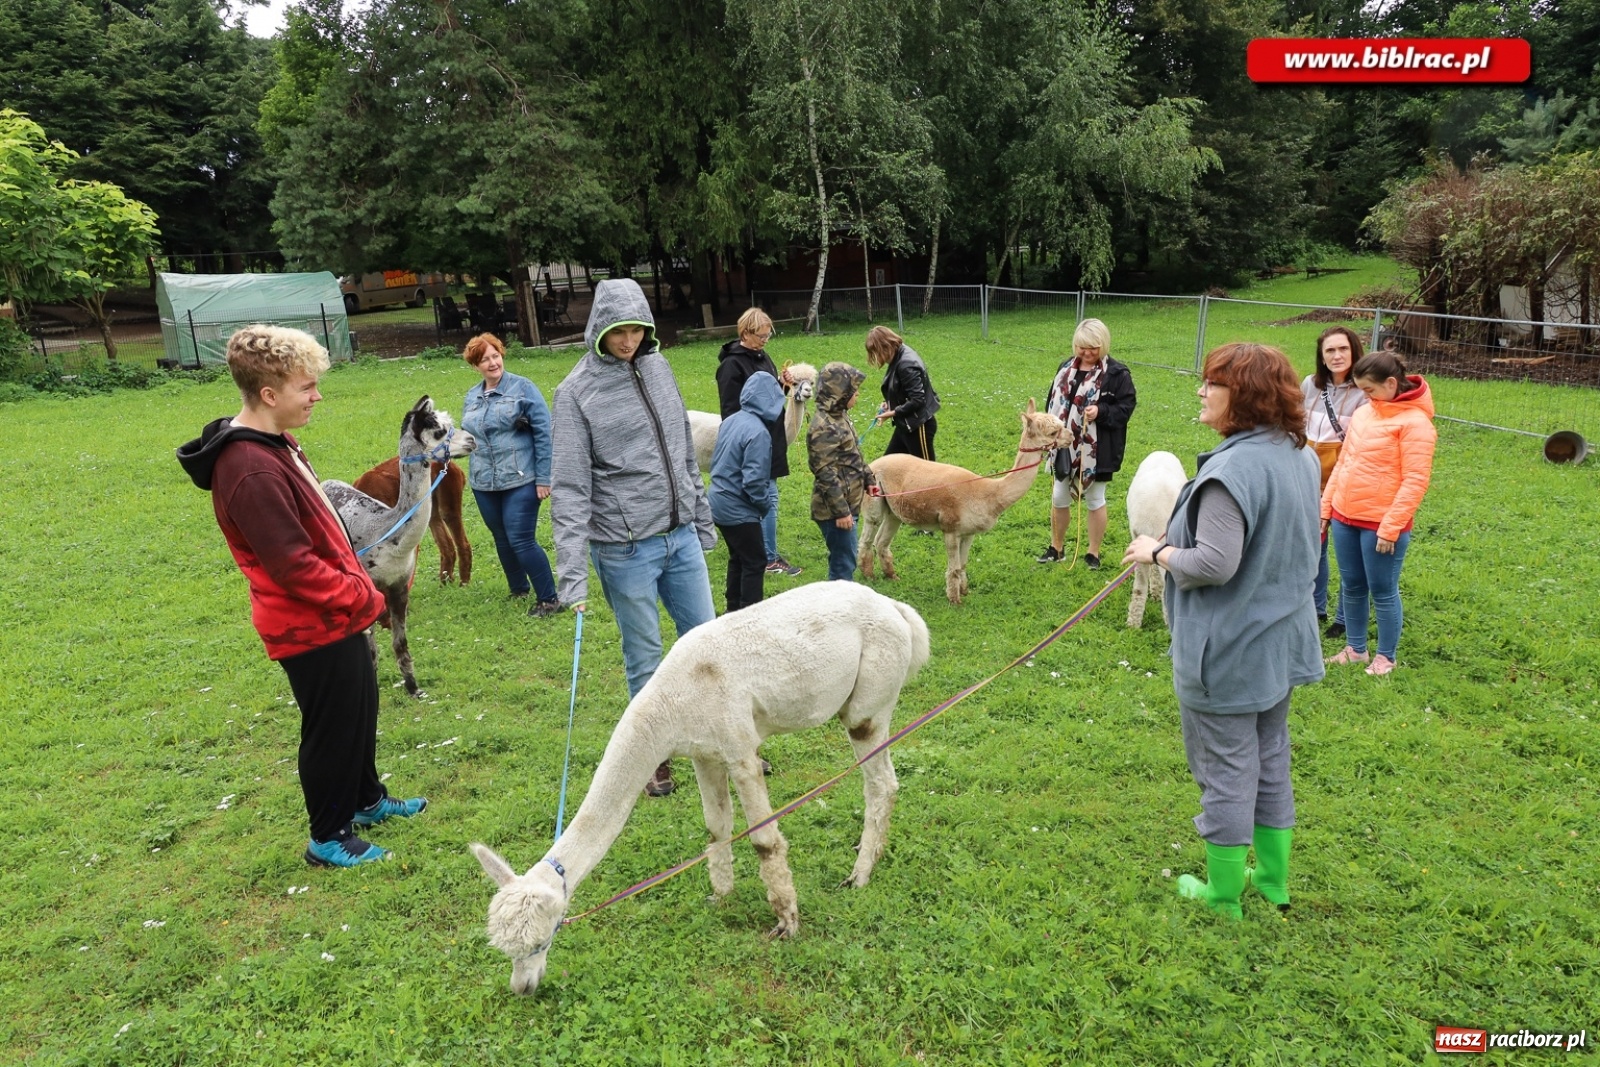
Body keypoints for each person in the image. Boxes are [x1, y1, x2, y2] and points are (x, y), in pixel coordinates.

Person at [177, 325, 426, 869]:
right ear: (269, 395)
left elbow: (323, 530)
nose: (316, 396)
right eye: (306, 387)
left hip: (339, 611)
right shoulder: (248, 468)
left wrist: (361, 587)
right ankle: (329, 835)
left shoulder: (275, 443)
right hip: (308, 623)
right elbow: (292, 565)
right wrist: (361, 598)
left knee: (360, 707)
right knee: (331, 726)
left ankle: (366, 798)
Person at [1123, 342, 1323, 920]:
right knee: (1269, 752)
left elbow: (1214, 563)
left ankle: (1224, 895)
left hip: (1230, 649)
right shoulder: (1298, 453)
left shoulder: (1230, 470)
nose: (1201, 392)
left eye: (1213, 383)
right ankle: (1274, 881)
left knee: (1226, 766)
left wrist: (1157, 551)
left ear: (1246, 396)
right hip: (1281, 643)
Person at [550, 278, 716, 797]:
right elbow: (571, 488)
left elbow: (682, 449)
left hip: (679, 534)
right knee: (645, 655)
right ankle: (653, 757)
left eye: (637, 331)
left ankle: (722, 742)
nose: (629, 343)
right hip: (624, 549)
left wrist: (700, 514)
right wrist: (572, 577)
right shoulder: (575, 393)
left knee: (708, 642)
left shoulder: (659, 367)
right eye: (619, 333)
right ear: (599, 329)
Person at [1321, 349, 1436, 677]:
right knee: (1352, 585)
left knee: (1383, 591)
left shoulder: (1416, 424)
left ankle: (1386, 657)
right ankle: (1355, 649)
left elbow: (1415, 480)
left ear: (1390, 383)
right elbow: (1344, 463)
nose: (1365, 396)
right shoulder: (1365, 414)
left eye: (1369, 390)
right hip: (1345, 516)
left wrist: (1391, 527)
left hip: (1380, 525)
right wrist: (1327, 507)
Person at [460, 332, 561, 617]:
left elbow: (544, 434)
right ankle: (518, 588)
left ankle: (549, 599)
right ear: (475, 365)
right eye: (485, 359)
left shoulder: (523, 389)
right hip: (484, 481)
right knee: (501, 537)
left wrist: (544, 477)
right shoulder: (472, 396)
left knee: (521, 539)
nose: (493, 363)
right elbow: (469, 436)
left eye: (496, 356)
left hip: (521, 478)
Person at [1039, 318, 1137, 568]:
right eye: (1082, 347)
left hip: (1097, 450)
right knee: (1059, 496)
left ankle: (1093, 553)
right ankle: (1056, 548)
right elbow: (1052, 403)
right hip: (1063, 448)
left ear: (1103, 344)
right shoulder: (1065, 368)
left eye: (1093, 347)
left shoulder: (1117, 374)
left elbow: (1125, 408)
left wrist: (1101, 411)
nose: (1087, 352)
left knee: (1095, 499)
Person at [716, 308, 801, 577]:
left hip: (771, 439)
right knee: (766, 497)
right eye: (761, 336)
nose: (766, 340)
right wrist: (750, 439)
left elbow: (767, 398)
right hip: (754, 443)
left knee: (766, 496)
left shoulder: (763, 357)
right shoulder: (732, 366)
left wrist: (782, 385)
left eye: (768, 335)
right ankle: (768, 558)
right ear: (745, 333)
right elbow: (731, 410)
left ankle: (762, 552)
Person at [1302, 326, 1370, 638]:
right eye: (1329, 350)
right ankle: (1315, 608)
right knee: (1313, 547)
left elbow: (1360, 444)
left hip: (1344, 481)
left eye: (1342, 349)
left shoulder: (1365, 394)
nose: (1337, 356)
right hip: (1308, 478)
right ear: (1321, 356)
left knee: (1346, 554)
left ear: (1354, 351)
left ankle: (1344, 617)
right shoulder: (1310, 386)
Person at [709, 371, 783, 612]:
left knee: (738, 557)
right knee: (755, 561)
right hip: (737, 508)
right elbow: (754, 481)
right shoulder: (759, 432)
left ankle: (733, 610)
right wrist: (764, 506)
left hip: (717, 501)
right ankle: (750, 615)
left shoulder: (732, 420)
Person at [809, 362, 873, 581]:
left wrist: (868, 478)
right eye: (854, 391)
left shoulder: (840, 416)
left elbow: (853, 454)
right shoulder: (823, 427)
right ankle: (836, 608)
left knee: (847, 558)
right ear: (840, 393)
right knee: (843, 564)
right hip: (834, 510)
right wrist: (841, 512)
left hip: (849, 502)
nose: (858, 395)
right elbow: (825, 473)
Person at [866, 325, 940, 462]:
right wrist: (889, 403)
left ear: (886, 346)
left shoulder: (906, 364)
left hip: (919, 427)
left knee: (927, 476)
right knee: (888, 466)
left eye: (876, 352)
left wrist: (893, 412)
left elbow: (918, 400)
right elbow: (902, 389)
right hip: (905, 425)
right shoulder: (897, 355)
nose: (876, 357)